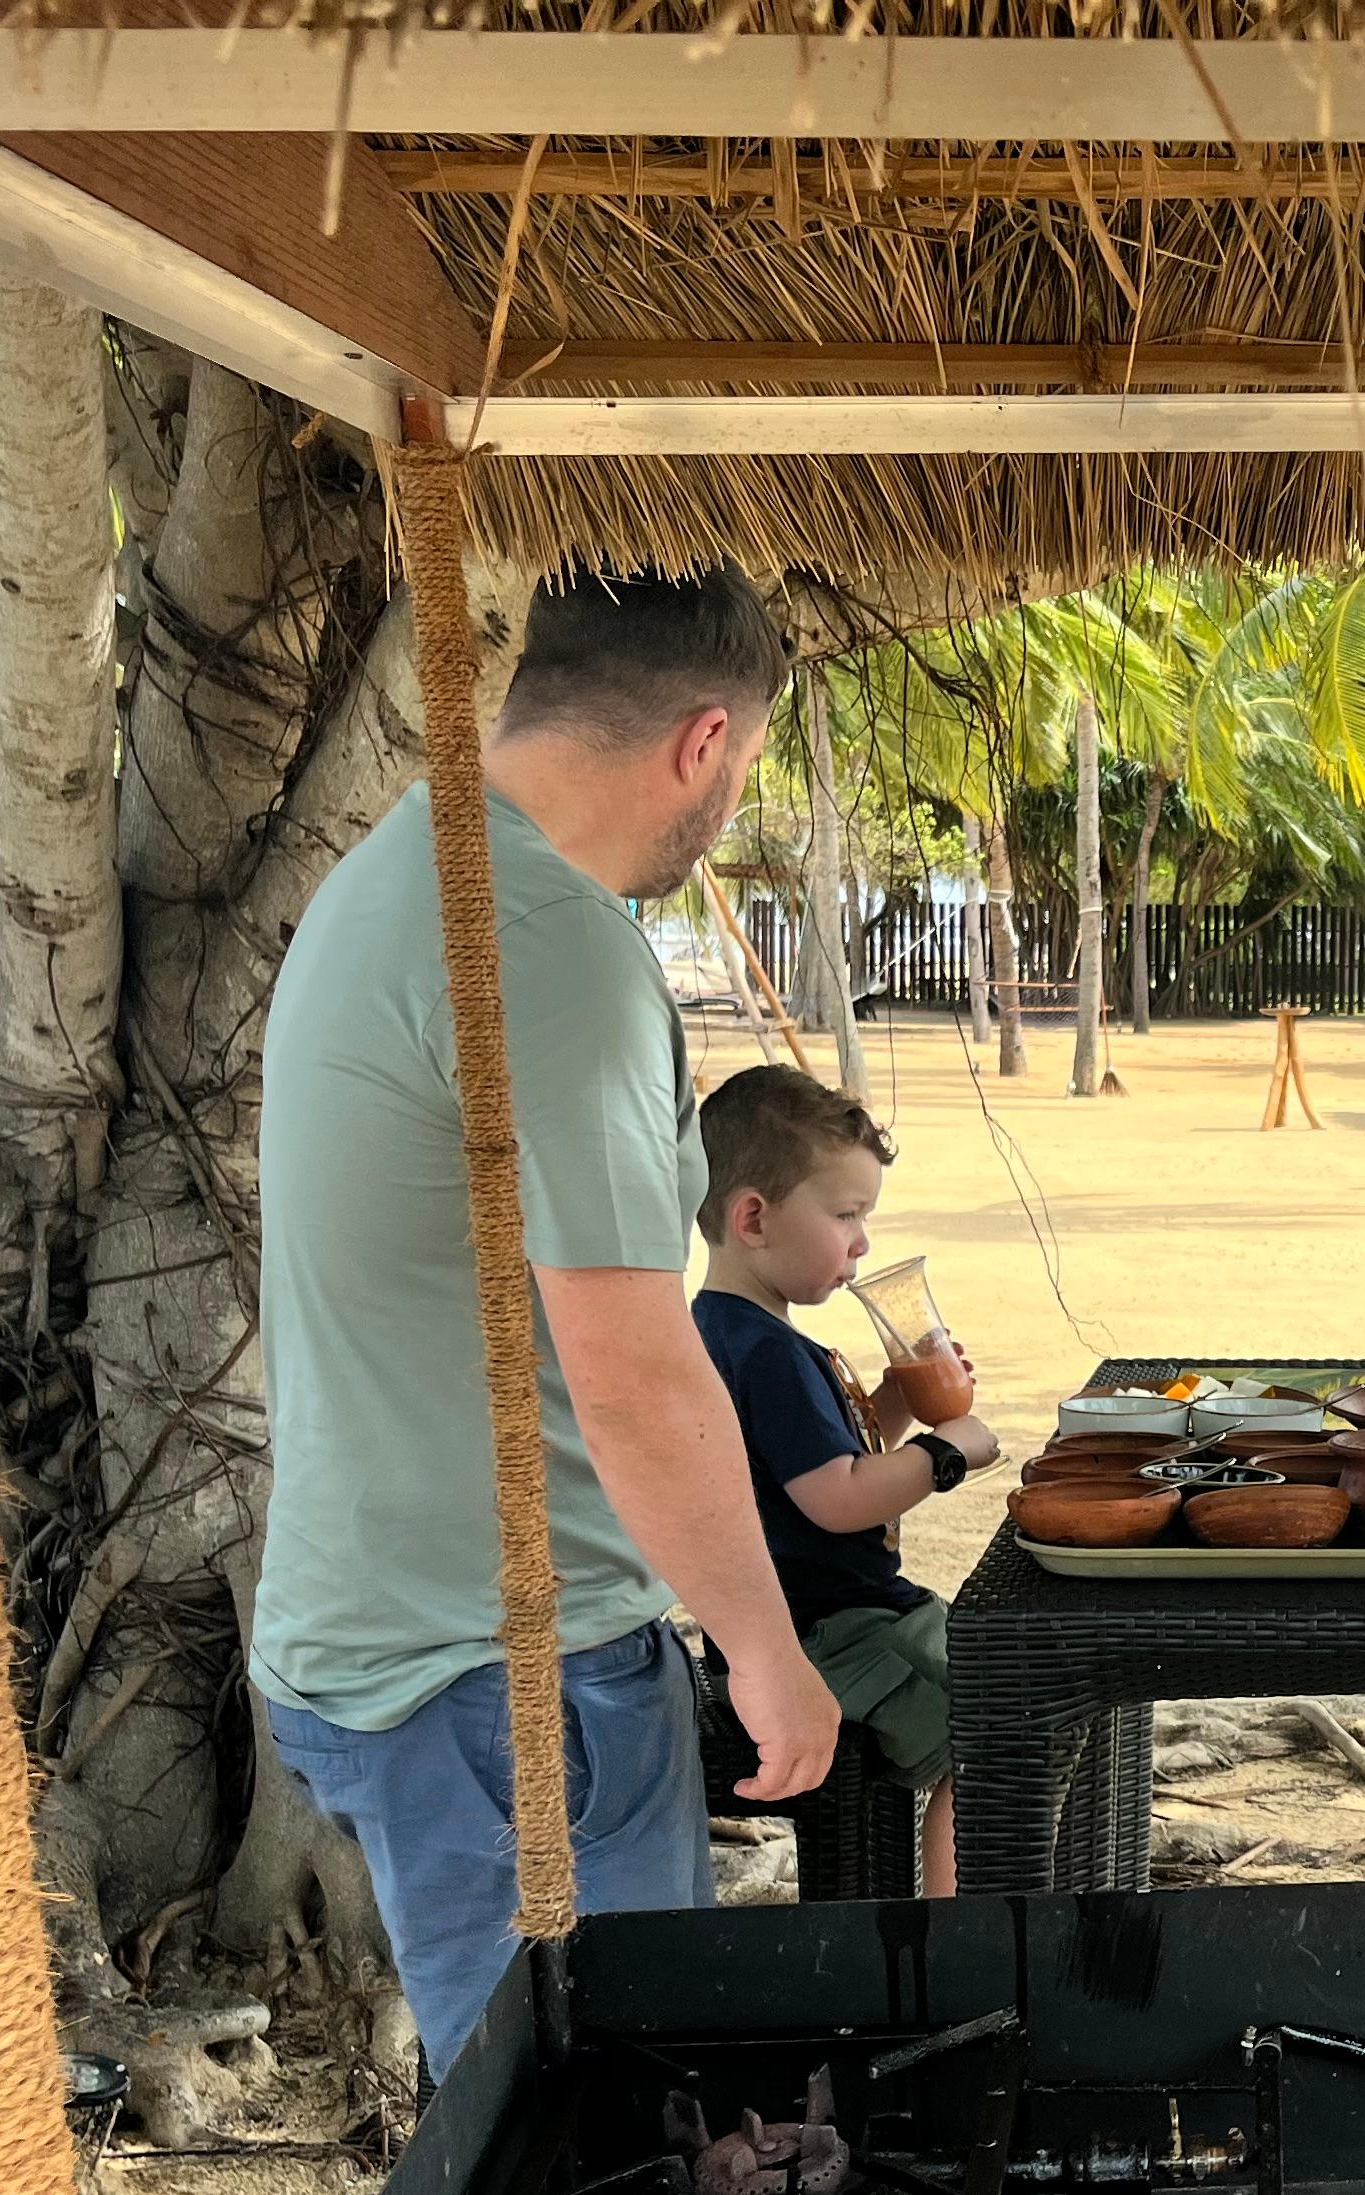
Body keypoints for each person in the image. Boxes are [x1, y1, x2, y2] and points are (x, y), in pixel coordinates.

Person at [254, 567, 841, 2074]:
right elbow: (639, 1371)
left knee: (550, 2109)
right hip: (503, 1669)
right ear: (704, 744)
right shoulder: (548, 941)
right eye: (745, 772)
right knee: (598, 2137)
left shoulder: (402, 869)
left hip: (412, 1633)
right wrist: (762, 1651)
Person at [688, 1066, 1002, 1898]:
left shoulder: (731, 1331)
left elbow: (818, 1466)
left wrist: (896, 1402)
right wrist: (949, 1454)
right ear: (753, 1216)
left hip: (823, 1623)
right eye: (846, 1215)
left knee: (1007, 1676)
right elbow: (835, 1498)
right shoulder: (767, 1354)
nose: (862, 1244)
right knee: (996, 1732)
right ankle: (958, 1938)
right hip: (829, 1636)